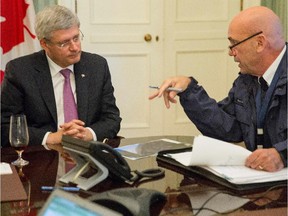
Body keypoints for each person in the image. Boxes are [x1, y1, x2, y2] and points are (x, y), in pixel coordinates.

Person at [149, 6, 287, 172]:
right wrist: (189, 91)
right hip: (262, 180)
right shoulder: (246, 80)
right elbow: (228, 128)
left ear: (260, 43)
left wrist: (282, 155)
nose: (231, 53)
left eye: (234, 44)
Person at [1, 5, 122, 148]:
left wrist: (87, 133)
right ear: (45, 44)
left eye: (76, 38)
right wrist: (51, 137)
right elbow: (5, 126)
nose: (75, 47)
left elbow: (112, 118)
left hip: (88, 154)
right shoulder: (20, 71)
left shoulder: (96, 66)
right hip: (42, 157)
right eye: (64, 43)